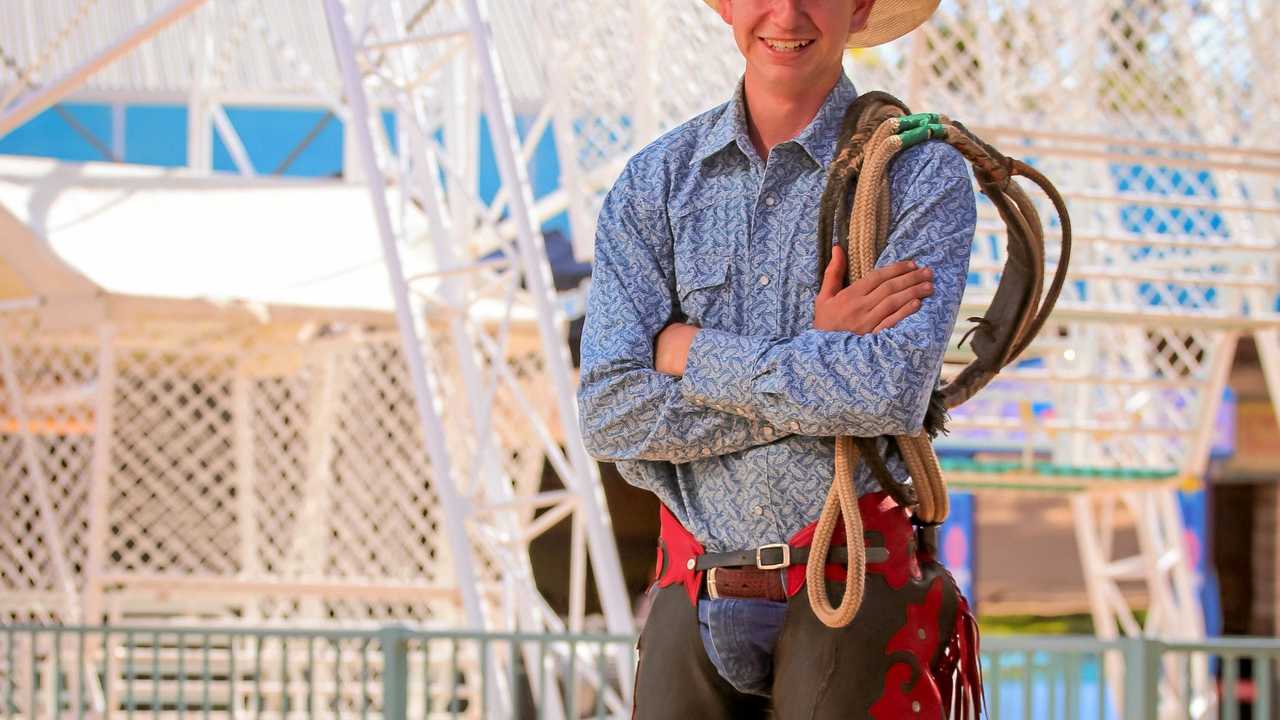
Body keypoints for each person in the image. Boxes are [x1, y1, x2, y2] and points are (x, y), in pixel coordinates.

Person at [576, 0, 978, 716]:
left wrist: (688, 351)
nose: (785, 13)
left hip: (854, 579)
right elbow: (610, 414)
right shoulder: (655, 182)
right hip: (690, 576)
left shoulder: (919, 176)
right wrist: (816, 355)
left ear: (857, 6)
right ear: (726, 4)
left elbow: (888, 395)